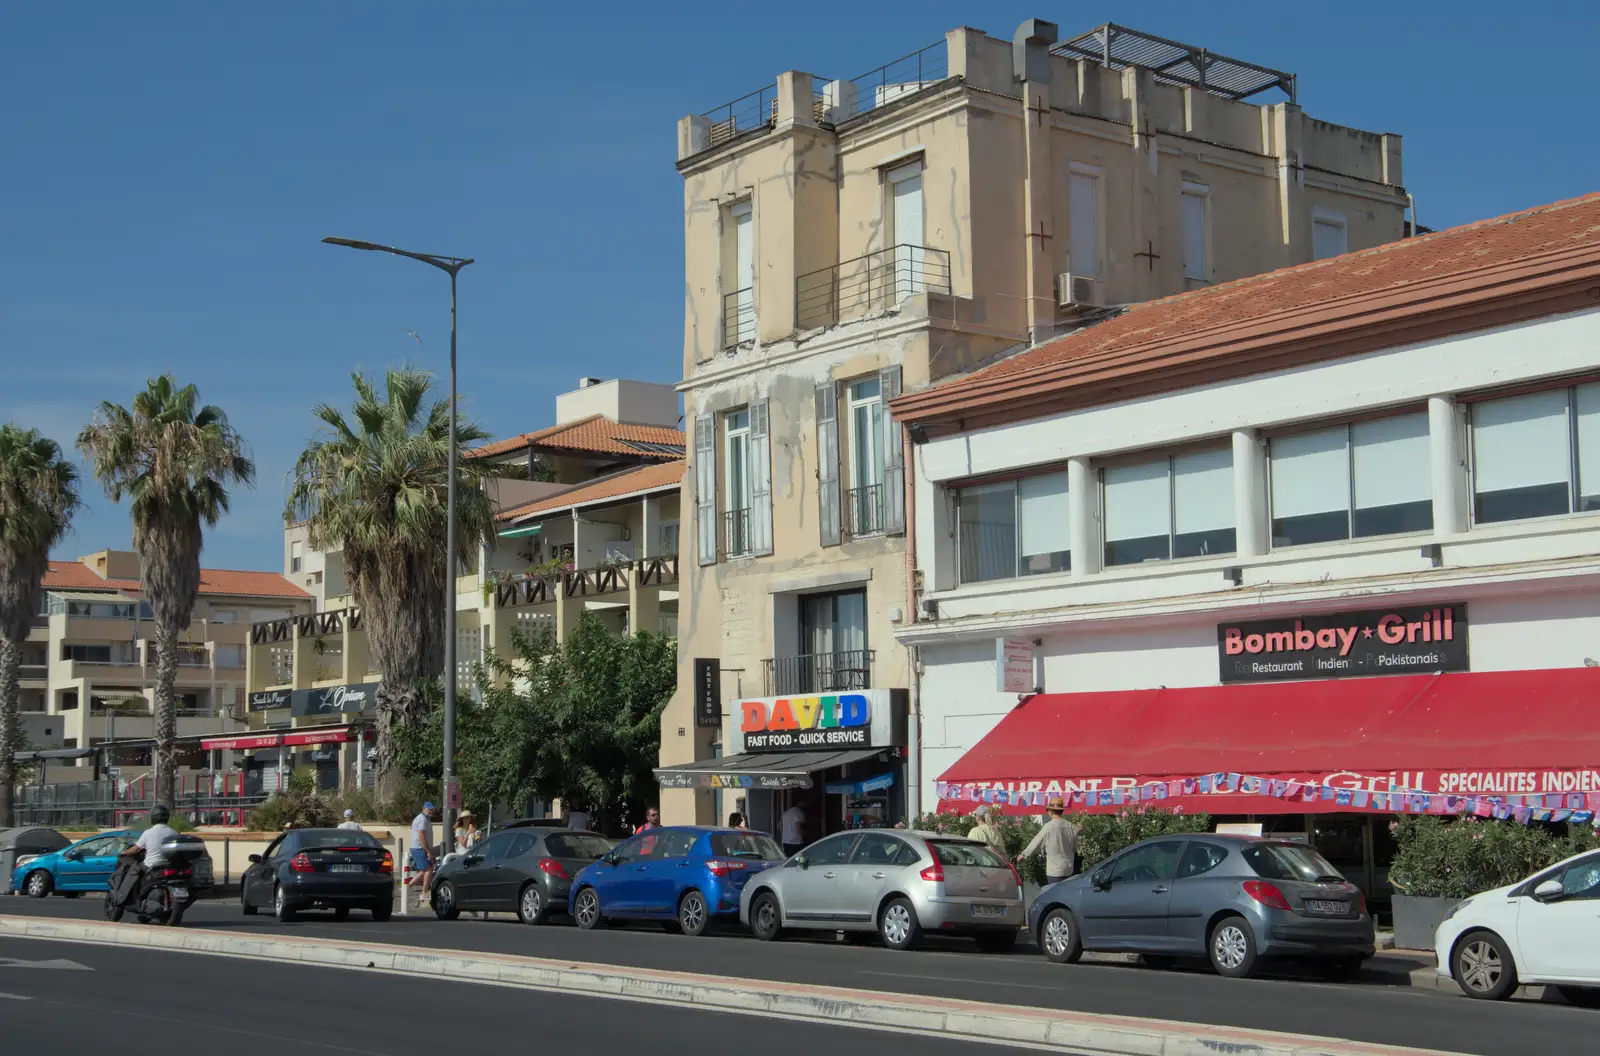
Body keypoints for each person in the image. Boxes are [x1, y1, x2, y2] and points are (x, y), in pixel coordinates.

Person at [116, 803, 179, 903]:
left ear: (153, 817)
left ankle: (135, 897)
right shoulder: (174, 832)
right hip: (168, 866)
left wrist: (124, 852)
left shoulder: (148, 832)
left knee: (135, 870)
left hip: (151, 865)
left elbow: (136, 849)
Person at [1020, 796, 1080, 885]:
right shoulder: (1071, 826)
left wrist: (1024, 855)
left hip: (1055, 872)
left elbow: (1036, 843)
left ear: (1051, 811)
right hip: (1069, 870)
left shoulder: (1049, 826)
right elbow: (1075, 847)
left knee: (1054, 896)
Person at [410, 801, 437, 902]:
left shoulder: (425, 819)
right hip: (419, 848)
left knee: (424, 870)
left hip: (420, 848)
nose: (431, 811)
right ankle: (423, 893)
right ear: (423, 808)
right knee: (428, 869)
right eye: (429, 809)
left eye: (432, 809)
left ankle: (407, 886)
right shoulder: (422, 819)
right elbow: (421, 836)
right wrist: (428, 851)